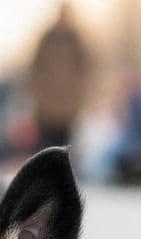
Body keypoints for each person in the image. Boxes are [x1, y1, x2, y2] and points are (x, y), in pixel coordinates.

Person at [28, 2, 91, 150]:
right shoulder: (47, 39)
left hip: (68, 108)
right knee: (46, 147)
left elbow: (85, 69)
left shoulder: (76, 40)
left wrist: (79, 97)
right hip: (47, 108)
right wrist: (38, 96)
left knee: (65, 148)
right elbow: (35, 70)